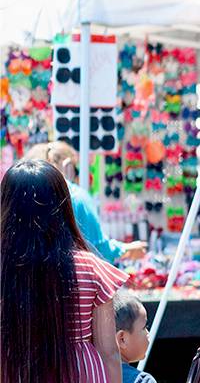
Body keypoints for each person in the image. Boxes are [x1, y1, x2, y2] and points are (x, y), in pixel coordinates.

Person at [0, 159, 127, 383]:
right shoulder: (92, 269)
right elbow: (109, 351)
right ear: (63, 205)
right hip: (84, 374)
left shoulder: (4, 269)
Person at [22, 141, 148, 262]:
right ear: (68, 167)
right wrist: (125, 249)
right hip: (66, 278)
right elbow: (96, 248)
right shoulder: (75, 196)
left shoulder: (23, 195)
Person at [113, 293, 157, 383]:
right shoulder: (141, 380)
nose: (148, 333)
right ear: (122, 339)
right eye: (144, 327)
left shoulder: (85, 375)